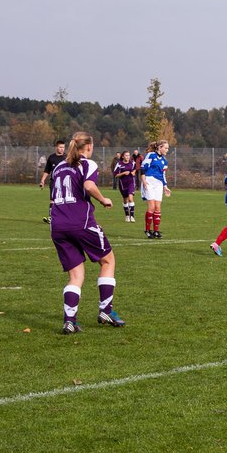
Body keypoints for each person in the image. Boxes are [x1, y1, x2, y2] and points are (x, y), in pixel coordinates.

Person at [48, 132, 123, 333]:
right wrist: (103, 199)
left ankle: (69, 321)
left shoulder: (58, 167)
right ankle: (105, 310)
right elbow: (89, 186)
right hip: (80, 223)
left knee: (76, 275)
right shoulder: (88, 164)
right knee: (108, 261)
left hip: (58, 225)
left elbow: (53, 197)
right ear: (88, 147)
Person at [139, 140, 171, 239]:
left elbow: (163, 174)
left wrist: (165, 186)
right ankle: (148, 230)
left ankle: (156, 231)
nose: (167, 150)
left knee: (157, 208)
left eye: (167, 148)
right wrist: (143, 180)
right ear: (159, 147)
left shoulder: (164, 161)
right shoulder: (151, 155)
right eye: (165, 148)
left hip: (159, 184)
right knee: (151, 207)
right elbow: (143, 167)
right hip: (149, 181)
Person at [39, 140, 67, 223]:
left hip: (64, 182)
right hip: (54, 182)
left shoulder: (67, 158)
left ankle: (65, 218)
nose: (62, 149)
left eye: (63, 147)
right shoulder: (51, 157)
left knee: (65, 200)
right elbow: (47, 170)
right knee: (53, 199)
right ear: (56, 147)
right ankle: (51, 218)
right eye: (60, 147)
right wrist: (42, 181)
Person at [114, 151, 138, 222]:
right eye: (126, 155)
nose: (128, 157)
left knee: (130, 198)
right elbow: (115, 175)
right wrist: (123, 173)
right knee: (125, 200)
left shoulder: (132, 163)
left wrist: (134, 172)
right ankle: (127, 215)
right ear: (122, 156)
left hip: (131, 182)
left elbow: (135, 170)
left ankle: (132, 216)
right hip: (123, 184)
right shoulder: (119, 164)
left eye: (128, 155)